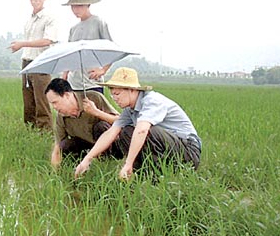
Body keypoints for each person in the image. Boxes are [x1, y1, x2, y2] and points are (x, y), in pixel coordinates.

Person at [74, 67, 202, 180]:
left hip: (188, 150)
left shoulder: (152, 101)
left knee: (146, 131)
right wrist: (87, 159)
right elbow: (111, 132)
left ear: (132, 90)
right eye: (112, 95)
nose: (115, 99)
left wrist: (128, 163)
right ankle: (145, 175)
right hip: (170, 147)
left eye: (117, 94)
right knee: (126, 132)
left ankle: (157, 176)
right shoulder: (129, 110)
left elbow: (142, 130)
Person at [9, 0, 58, 131]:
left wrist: (22, 44)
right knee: (28, 102)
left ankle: (45, 134)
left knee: (42, 102)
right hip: (27, 63)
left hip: (41, 63)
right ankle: (30, 132)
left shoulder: (49, 18)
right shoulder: (30, 19)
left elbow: (47, 41)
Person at [45, 78, 120, 169]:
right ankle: (76, 170)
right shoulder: (61, 117)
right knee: (66, 144)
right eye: (52, 104)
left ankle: (106, 164)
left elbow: (120, 121)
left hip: (112, 145)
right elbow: (58, 146)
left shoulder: (94, 98)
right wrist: (54, 171)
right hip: (87, 147)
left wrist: (96, 112)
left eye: (55, 102)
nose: (54, 107)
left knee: (101, 127)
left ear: (67, 95)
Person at [62, 0, 112, 93]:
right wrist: (64, 76)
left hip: (92, 83)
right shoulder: (73, 29)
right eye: (73, 6)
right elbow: (69, 55)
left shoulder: (98, 23)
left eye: (80, 5)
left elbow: (111, 49)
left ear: (88, 5)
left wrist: (103, 70)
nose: (76, 9)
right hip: (74, 83)